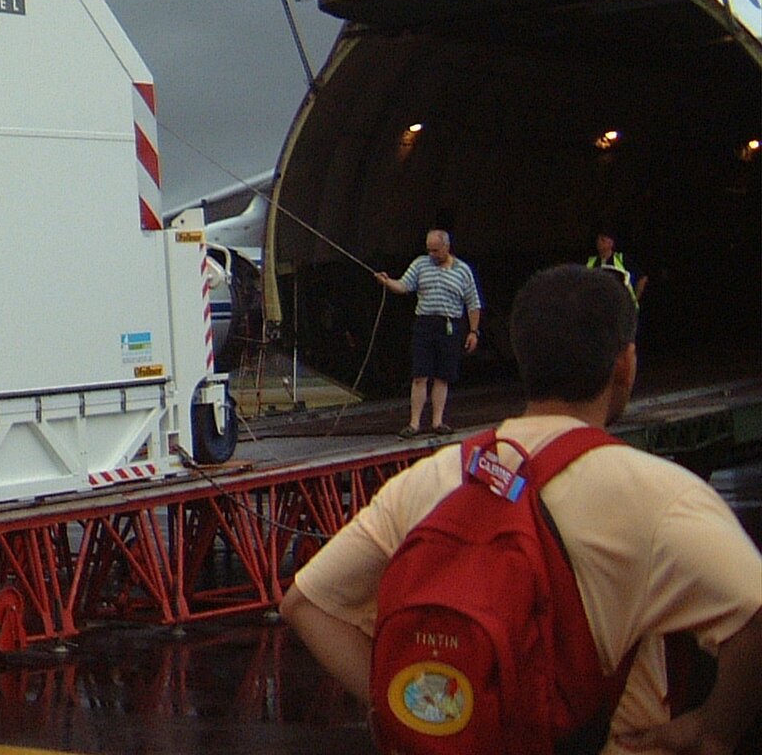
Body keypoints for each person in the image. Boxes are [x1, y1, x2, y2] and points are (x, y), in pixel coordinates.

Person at [283, 265, 762, 752]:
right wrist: (711, 732)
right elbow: (755, 617)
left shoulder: (433, 478)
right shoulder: (658, 496)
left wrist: (409, 711)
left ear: (519, 356)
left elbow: (306, 604)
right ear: (625, 365)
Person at [374, 229, 481, 437]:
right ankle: (414, 423)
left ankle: (437, 421)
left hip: (449, 324)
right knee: (420, 375)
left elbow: (473, 303)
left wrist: (474, 331)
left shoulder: (463, 270)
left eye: (436, 250)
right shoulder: (420, 264)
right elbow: (404, 286)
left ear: (446, 247)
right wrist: (387, 282)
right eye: (429, 250)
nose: (432, 254)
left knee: (443, 376)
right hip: (425, 324)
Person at [589, 228, 648, 304]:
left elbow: (642, 278)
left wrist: (634, 300)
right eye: (598, 240)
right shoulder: (590, 262)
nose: (599, 242)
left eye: (603, 240)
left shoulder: (621, 259)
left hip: (621, 306)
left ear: (611, 243)